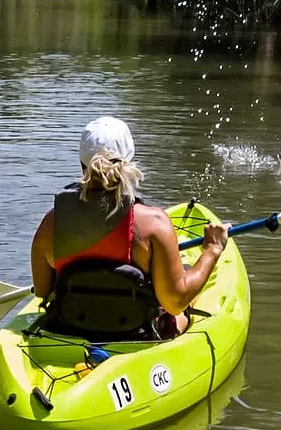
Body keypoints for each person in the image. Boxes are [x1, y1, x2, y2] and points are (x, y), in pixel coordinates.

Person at [29, 116, 229, 340]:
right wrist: (212, 248)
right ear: (128, 162)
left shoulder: (52, 222)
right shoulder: (153, 224)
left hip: (68, 329)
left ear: (82, 164)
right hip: (136, 335)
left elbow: (42, 290)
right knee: (184, 307)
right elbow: (175, 302)